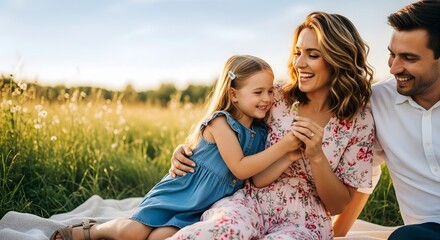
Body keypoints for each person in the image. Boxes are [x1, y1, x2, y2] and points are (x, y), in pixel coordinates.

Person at [168, 11, 375, 239]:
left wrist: (317, 157)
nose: (298, 63)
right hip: (249, 201)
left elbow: (337, 206)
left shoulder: (359, 121)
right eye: (297, 53)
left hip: (304, 221)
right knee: (224, 231)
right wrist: (189, 150)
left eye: (312, 55)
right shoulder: (275, 95)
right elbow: (223, 123)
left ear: (338, 58)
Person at [50, 54, 303, 240]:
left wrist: (288, 156)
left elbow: (257, 179)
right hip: (180, 192)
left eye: (270, 91)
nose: (267, 98)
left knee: (160, 238)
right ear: (234, 94)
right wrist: (283, 146)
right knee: (133, 232)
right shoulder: (221, 122)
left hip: (203, 205)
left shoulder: (260, 134)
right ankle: (93, 231)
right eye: (258, 92)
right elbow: (239, 168)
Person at [335, 0, 440, 239]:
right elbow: (365, 176)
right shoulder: (377, 101)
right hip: (423, 233)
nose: (394, 68)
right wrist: (334, 235)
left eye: (409, 58)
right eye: (392, 54)